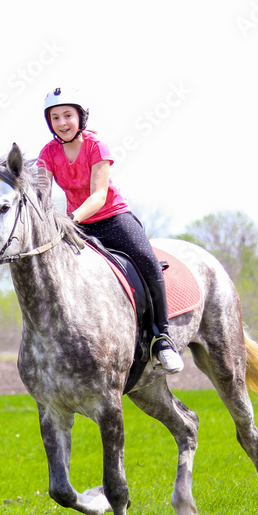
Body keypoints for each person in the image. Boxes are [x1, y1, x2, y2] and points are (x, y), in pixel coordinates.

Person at [36, 87, 184, 374]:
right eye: (55, 117)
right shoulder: (48, 152)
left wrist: (71, 218)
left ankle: (163, 339)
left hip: (112, 218)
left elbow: (98, 196)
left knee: (148, 263)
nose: (62, 122)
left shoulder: (97, 147)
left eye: (68, 115)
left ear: (81, 117)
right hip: (77, 225)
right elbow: (42, 193)